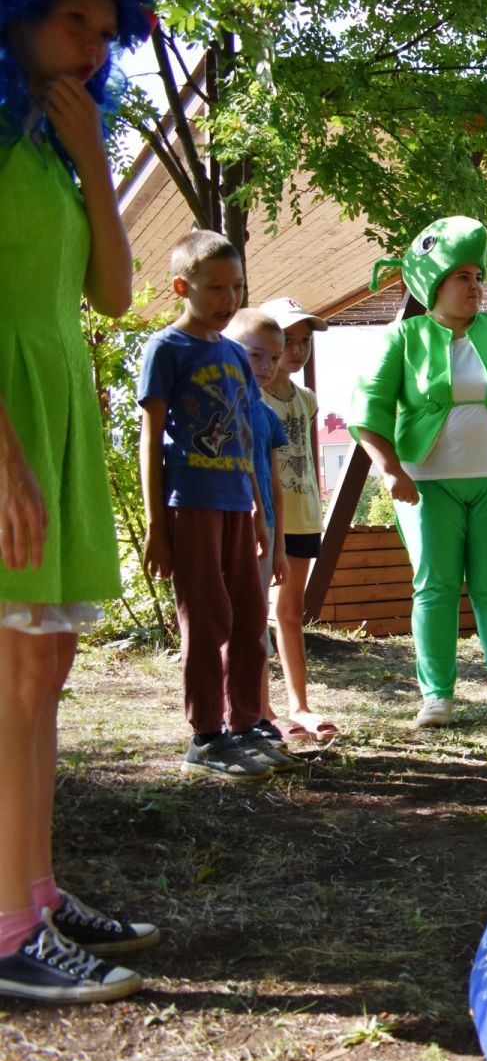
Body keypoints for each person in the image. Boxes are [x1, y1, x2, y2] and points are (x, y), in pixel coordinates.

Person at [0, 0, 158, 1004]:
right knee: (12, 674)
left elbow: (112, 297)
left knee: (43, 674)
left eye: (107, 31)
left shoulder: (57, 151)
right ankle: (8, 930)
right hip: (6, 416)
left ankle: (38, 891)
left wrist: (97, 165)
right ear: (15, 14)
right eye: (74, 23)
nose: (93, 48)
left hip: (55, 399)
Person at [347, 216, 487, 727]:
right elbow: (369, 410)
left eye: (477, 275)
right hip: (426, 484)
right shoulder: (402, 338)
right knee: (435, 586)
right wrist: (390, 470)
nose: (476, 286)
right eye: (462, 276)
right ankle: (437, 698)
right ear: (434, 283)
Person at [139, 231, 283, 781]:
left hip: (235, 506)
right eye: (216, 287)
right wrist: (157, 524)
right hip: (189, 504)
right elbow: (150, 437)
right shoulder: (167, 349)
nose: (229, 299)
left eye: (238, 287)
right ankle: (206, 736)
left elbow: (246, 433)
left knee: (249, 616)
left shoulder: (233, 355)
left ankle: (248, 725)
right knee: (207, 619)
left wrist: (260, 510)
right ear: (183, 287)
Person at [258, 295, 339, 742]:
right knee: (257, 613)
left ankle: (300, 704)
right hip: (267, 517)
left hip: (304, 513)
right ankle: (262, 708)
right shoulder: (252, 392)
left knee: (290, 611)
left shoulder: (306, 399)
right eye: (288, 339)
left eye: (303, 341)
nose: (296, 350)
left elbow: (305, 455)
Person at [223, 310, 297, 763]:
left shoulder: (267, 416)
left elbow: (274, 485)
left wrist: (281, 544)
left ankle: (254, 715)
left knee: (254, 628)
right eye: (255, 355)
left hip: (264, 535)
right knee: (229, 624)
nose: (266, 366)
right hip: (228, 526)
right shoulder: (219, 405)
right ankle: (233, 718)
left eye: (273, 357)